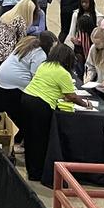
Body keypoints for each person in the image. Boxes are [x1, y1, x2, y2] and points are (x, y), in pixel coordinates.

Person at [20, 43, 89, 180]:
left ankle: (32, 170)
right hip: (41, 105)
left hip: (26, 98)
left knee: (30, 137)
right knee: (41, 139)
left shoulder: (44, 65)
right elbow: (71, 96)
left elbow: (52, 87)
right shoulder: (63, 73)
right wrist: (85, 104)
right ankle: (39, 172)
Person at [0, 32, 56, 148]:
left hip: (3, 79)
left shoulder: (27, 43)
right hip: (16, 85)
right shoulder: (40, 55)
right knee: (29, 112)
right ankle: (24, 141)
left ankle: (18, 137)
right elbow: (36, 78)